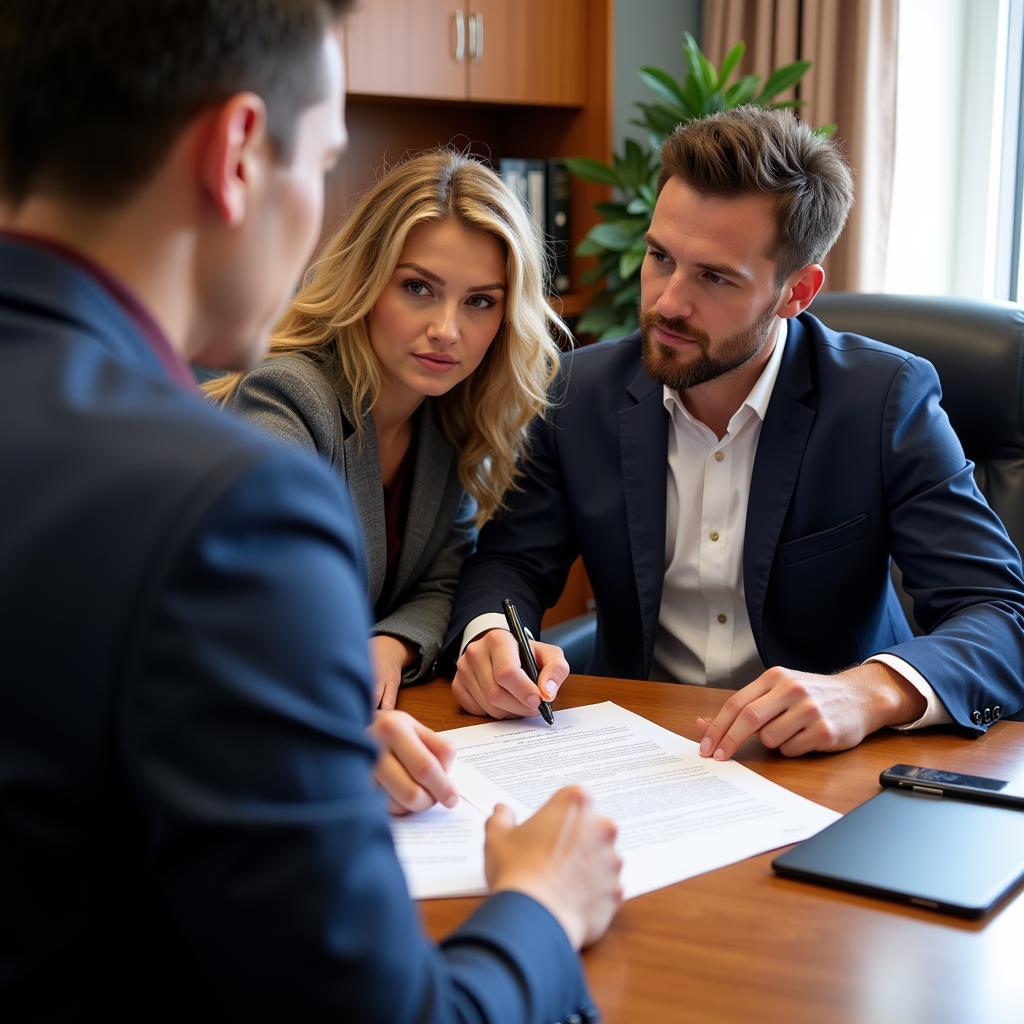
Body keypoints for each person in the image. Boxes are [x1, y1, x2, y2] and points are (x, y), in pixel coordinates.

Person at [0, 3, 620, 1021]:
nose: (445, 328)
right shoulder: (232, 497)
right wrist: (542, 903)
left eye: (477, 303)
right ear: (239, 152)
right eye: (324, 159)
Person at [444, 104, 1024, 761]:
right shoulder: (578, 393)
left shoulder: (883, 401)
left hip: (829, 764)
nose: (666, 301)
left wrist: (867, 693)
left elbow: (1000, 615)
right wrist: (491, 634)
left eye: (714, 278)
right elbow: (510, 562)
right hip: (637, 752)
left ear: (796, 293)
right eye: (660, 258)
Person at [207, 150, 564, 710]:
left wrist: (393, 644)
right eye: (418, 288)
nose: (447, 330)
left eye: (479, 302)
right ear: (368, 280)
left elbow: (443, 584)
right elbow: (264, 603)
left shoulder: (449, 418)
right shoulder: (287, 400)